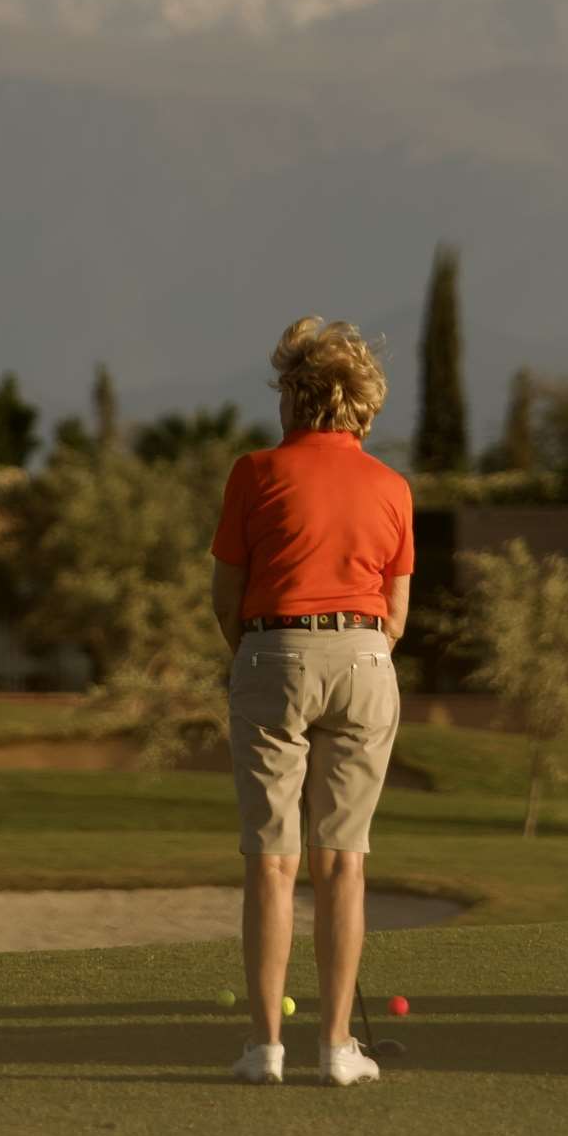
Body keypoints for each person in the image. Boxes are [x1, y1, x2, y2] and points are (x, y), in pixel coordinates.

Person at [209, 317, 416, 1087]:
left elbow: (225, 594)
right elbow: (395, 614)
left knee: (272, 859)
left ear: (291, 398)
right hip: (365, 657)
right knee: (343, 862)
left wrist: (259, 655)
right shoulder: (393, 487)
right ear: (363, 404)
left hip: (272, 649)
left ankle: (264, 1050)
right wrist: (355, 655)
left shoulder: (254, 472)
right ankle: (336, 1049)